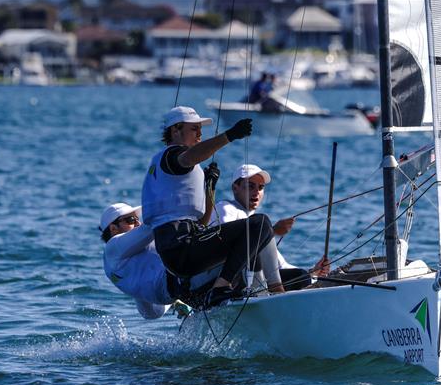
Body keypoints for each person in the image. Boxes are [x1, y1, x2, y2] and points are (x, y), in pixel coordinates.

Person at [142, 106, 285, 306]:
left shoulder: (171, 171)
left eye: (201, 129)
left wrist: (210, 187)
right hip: (179, 247)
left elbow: (203, 221)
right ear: (175, 130)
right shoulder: (171, 156)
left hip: (185, 246)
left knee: (254, 239)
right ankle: (225, 287)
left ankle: (263, 294)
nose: (200, 134)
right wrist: (230, 135)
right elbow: (188, 157)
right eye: (194, 129)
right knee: (259, 223)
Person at [213, 164, 330, 291]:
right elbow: (228, 245)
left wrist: (313, 272)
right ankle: (274, 292)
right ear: (235, 188)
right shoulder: (225, 208)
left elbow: (279, 266)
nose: (256, 192)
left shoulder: (257, 223)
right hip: (231, 280)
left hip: (254, 279)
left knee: (301, 276)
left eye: (261, 187)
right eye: (250, 186)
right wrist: (272, 231)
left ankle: (276, 292)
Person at [100, 203, 186, 319]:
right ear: (113, 229)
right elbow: (150, 227)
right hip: (179, 280)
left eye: (137, 219)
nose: (138, 223)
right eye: (131, 220)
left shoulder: (128, 264)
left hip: (175, 289)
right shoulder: (113, 247)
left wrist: (173, 301)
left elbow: (152, 313)